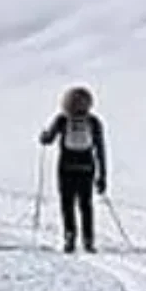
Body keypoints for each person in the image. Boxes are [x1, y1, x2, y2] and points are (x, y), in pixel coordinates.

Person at [40, 86, 107, 253]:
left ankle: (70, 237)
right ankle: (88, 240)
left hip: (66, 167)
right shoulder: (93, 122)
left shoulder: (62, 120)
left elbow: (48, 139)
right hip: (87, 168)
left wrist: (43, 136)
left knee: (67, 204)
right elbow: (100, 150)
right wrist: (102, 176)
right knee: (86, 205)